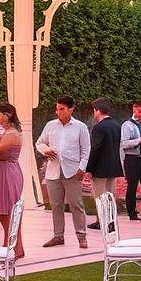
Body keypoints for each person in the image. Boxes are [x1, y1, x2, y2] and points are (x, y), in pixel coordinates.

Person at [36, 96, 91, 249]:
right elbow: (39, 142)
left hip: (73, 171)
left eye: (62, 109)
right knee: (55, 205)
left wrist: (82, 168)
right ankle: (58, 236)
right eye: (57, 109)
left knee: (76, 204)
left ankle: (81, 235)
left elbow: (86, 149)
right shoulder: (50, 125)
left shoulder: (80, 127)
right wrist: (46, 150)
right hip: (53, 170)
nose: (58, 112)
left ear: (71, 109)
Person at [0, 102, 25, 259]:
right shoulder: (6, 132)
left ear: (7, 115)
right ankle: (14, 246)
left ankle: (13, 246)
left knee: (8, 210)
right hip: (2, 171)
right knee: (3, 210)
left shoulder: (12, 134)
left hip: (8, 173)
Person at [86, 98, 124, 230]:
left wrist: (89, 168)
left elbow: (96, 149)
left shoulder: (99, 128)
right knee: (110, 196)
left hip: (100, 168)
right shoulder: (117, 126)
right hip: (113, 167)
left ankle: (101, 221)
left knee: (99, 196)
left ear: (97, 110)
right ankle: (111, 222)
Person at [121, 102, 141, 220]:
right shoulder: (127, 125)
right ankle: (131, 212)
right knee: (132, 185)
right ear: (133, 110)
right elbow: (124, 144)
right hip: (132, 158)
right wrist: (139, 140)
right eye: (139, 112)